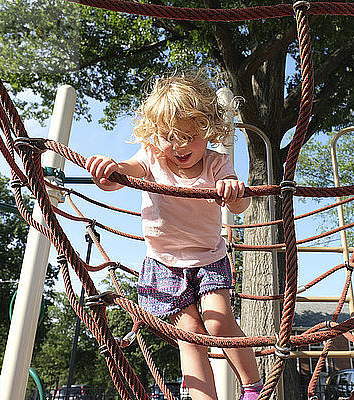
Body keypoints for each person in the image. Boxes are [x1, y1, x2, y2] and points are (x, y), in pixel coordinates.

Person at [86, 73, 262, 400]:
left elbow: (240, 205)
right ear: (155, 135)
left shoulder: (216, 164)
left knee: (219, 321)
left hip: (209, 258)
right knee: (190, 333)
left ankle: (251, 385)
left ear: (207, 131)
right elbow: (123, 174)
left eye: (190, 136)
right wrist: (108, 170)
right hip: (163, 262)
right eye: (170, 136)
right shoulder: (151, 157)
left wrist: (233, 190)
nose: (180, 145)